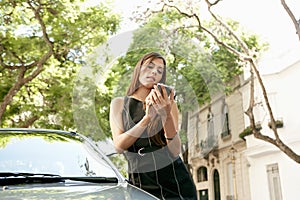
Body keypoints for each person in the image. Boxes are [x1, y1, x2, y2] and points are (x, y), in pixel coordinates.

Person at [109, 52, 197, 199]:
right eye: (150, 66)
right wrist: (147, 118)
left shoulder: (169, 103)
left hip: (175, 182)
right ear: (139, 69)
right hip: (141, 184)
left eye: (159, 70)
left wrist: (166, 115)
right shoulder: (119, 104)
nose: (154, 71)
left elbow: (175, 150)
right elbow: (119, 146)